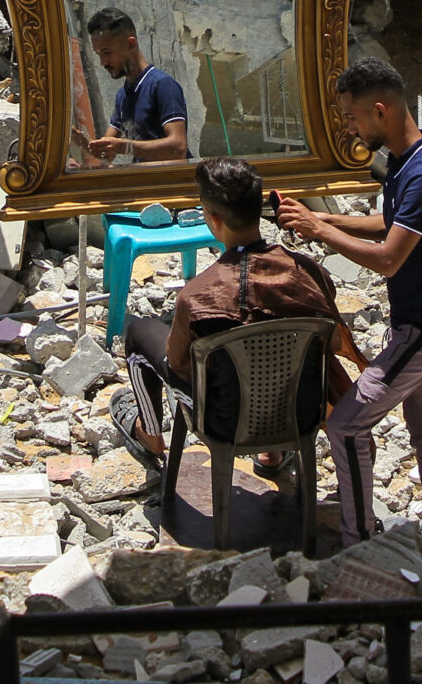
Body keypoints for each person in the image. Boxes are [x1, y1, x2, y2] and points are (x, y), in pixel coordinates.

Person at [277, 57, 422, 563]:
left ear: (380, 110)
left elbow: (389, 259)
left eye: (351, 117)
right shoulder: (412, 158)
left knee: (346, 426)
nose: (349, 127)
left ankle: (359, 549)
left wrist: (323, 232)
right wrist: (319, 217)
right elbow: (391, 222)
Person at [112, 158, 355, 474]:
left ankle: (151, 435)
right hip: (298, 410)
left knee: (139, 332)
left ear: (212, 218)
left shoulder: (195, 296)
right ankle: (272, 453)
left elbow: (178, 365)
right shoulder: (310, 274)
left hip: (224, 422)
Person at [83, 7, 189, 164]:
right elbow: (107, 151)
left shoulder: (163, 86)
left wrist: (125, 147)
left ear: (131, 44)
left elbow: (178, 148)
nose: (103, 63)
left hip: (172, 185)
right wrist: (83, 143)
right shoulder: (122, 96)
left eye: (107, 52)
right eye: (98, 54)